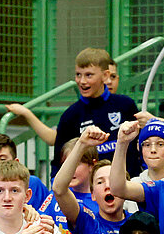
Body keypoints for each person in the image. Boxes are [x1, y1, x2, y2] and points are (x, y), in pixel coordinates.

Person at [51, 47, 142, 177]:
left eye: (89, 75)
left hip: (128, 184)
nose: (82, 81)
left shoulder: (125, 105)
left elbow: (141, 145)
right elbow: (58, 161)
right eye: (78, 74)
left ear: (105, 76)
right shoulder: (70, 115)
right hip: (90, 191)